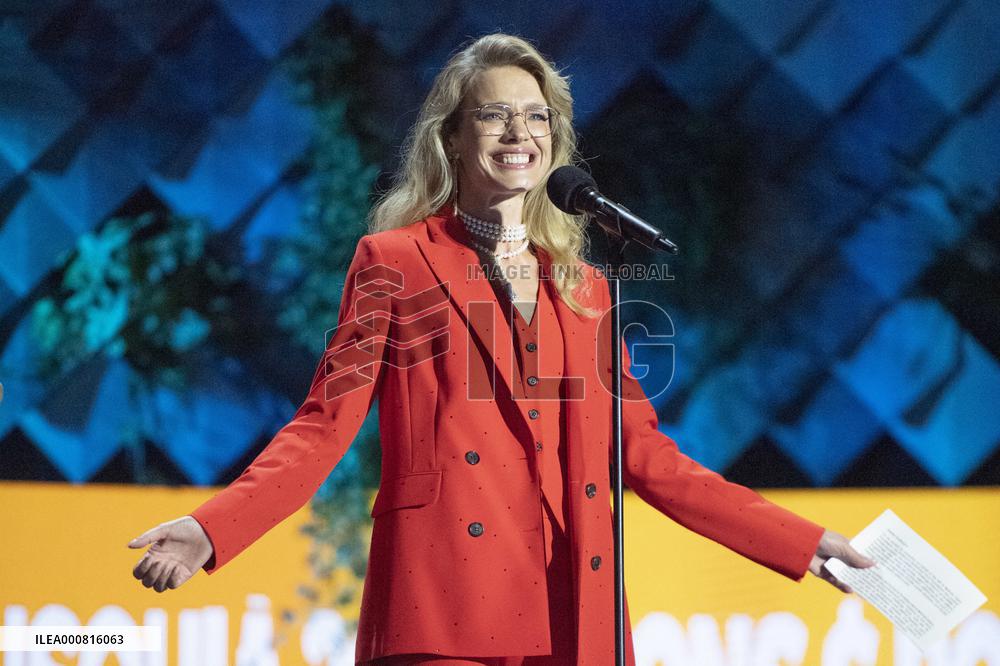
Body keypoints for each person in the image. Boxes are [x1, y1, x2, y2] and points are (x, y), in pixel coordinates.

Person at [128, 33, 874, 665]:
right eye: (494, 115)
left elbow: (647, 456)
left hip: (572, 608)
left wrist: (801, 543)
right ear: (452, 136)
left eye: (536, 116)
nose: (520, 133)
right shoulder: (394, 261)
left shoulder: (586, 288)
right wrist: (212, 529)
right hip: (444, 604)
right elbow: (324, 425)